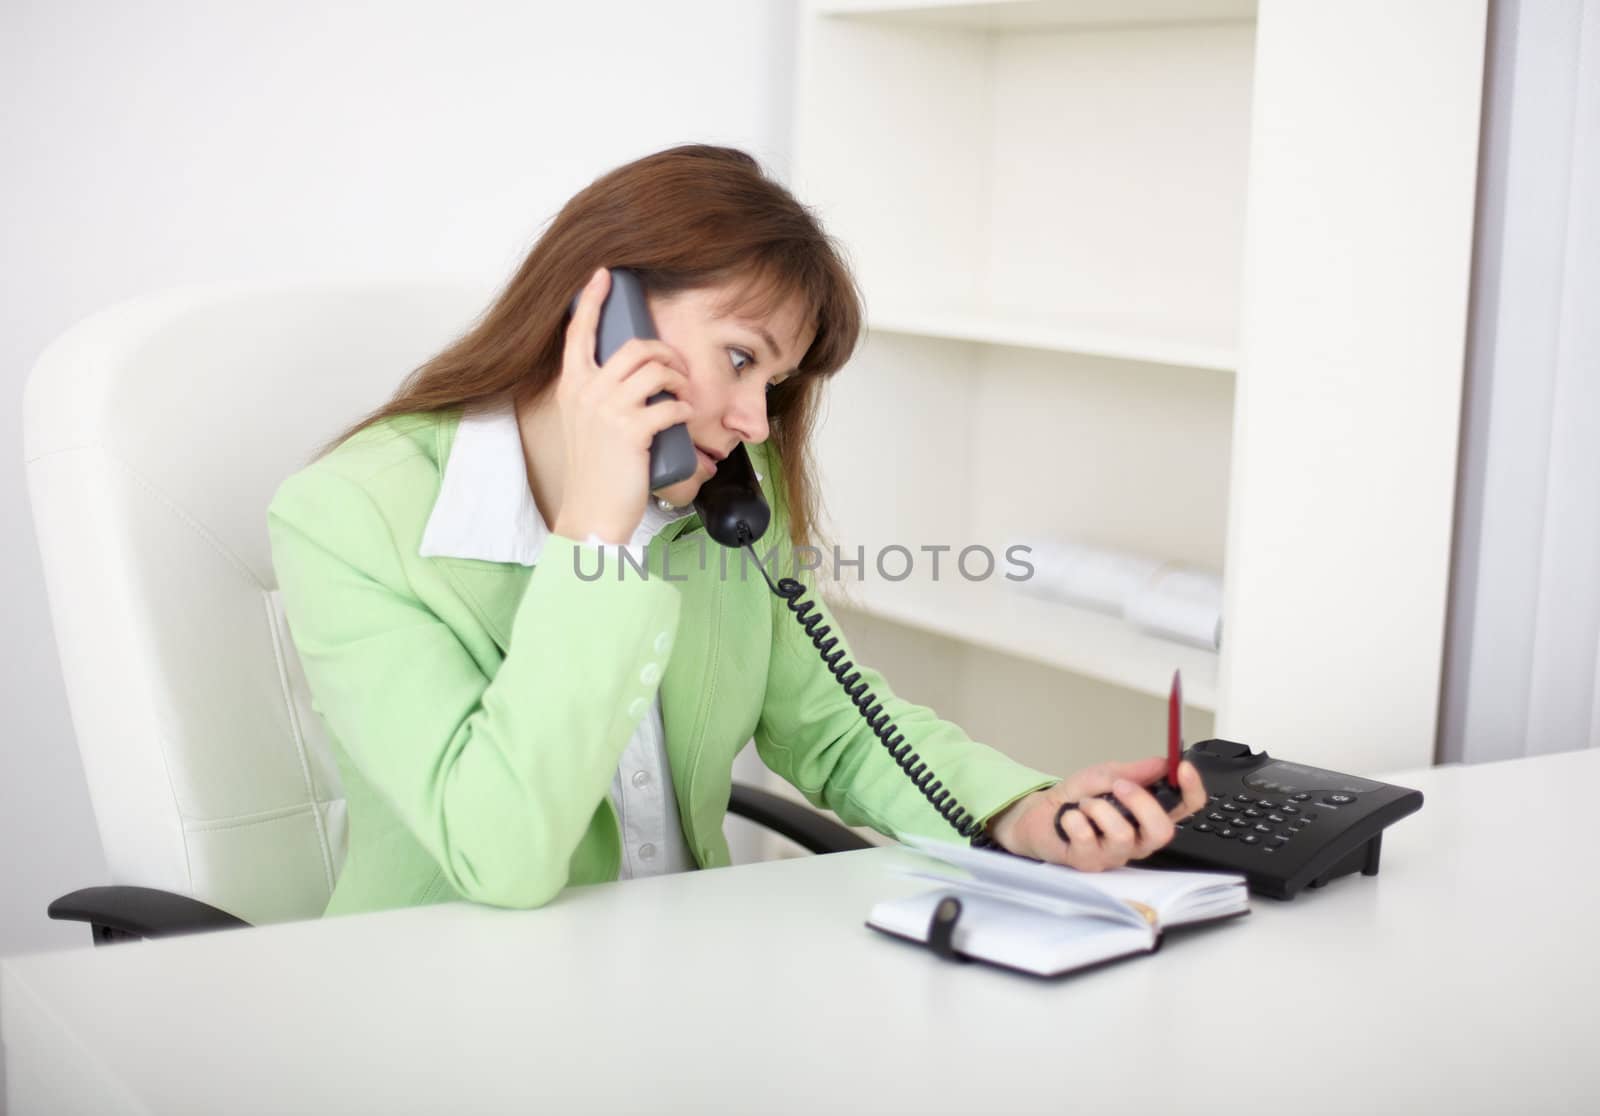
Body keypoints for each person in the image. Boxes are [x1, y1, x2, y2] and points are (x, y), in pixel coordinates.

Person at [267, 144, 1208, 918]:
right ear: (603, 317)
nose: (757, 421)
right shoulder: (349, 519)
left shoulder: (719, 508)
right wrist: (595, 536)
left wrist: (1025, 813)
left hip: (686, 984)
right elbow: (500, 856)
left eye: (776, 383)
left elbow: (836, 728)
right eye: (740, 357)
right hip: (453, 1012)